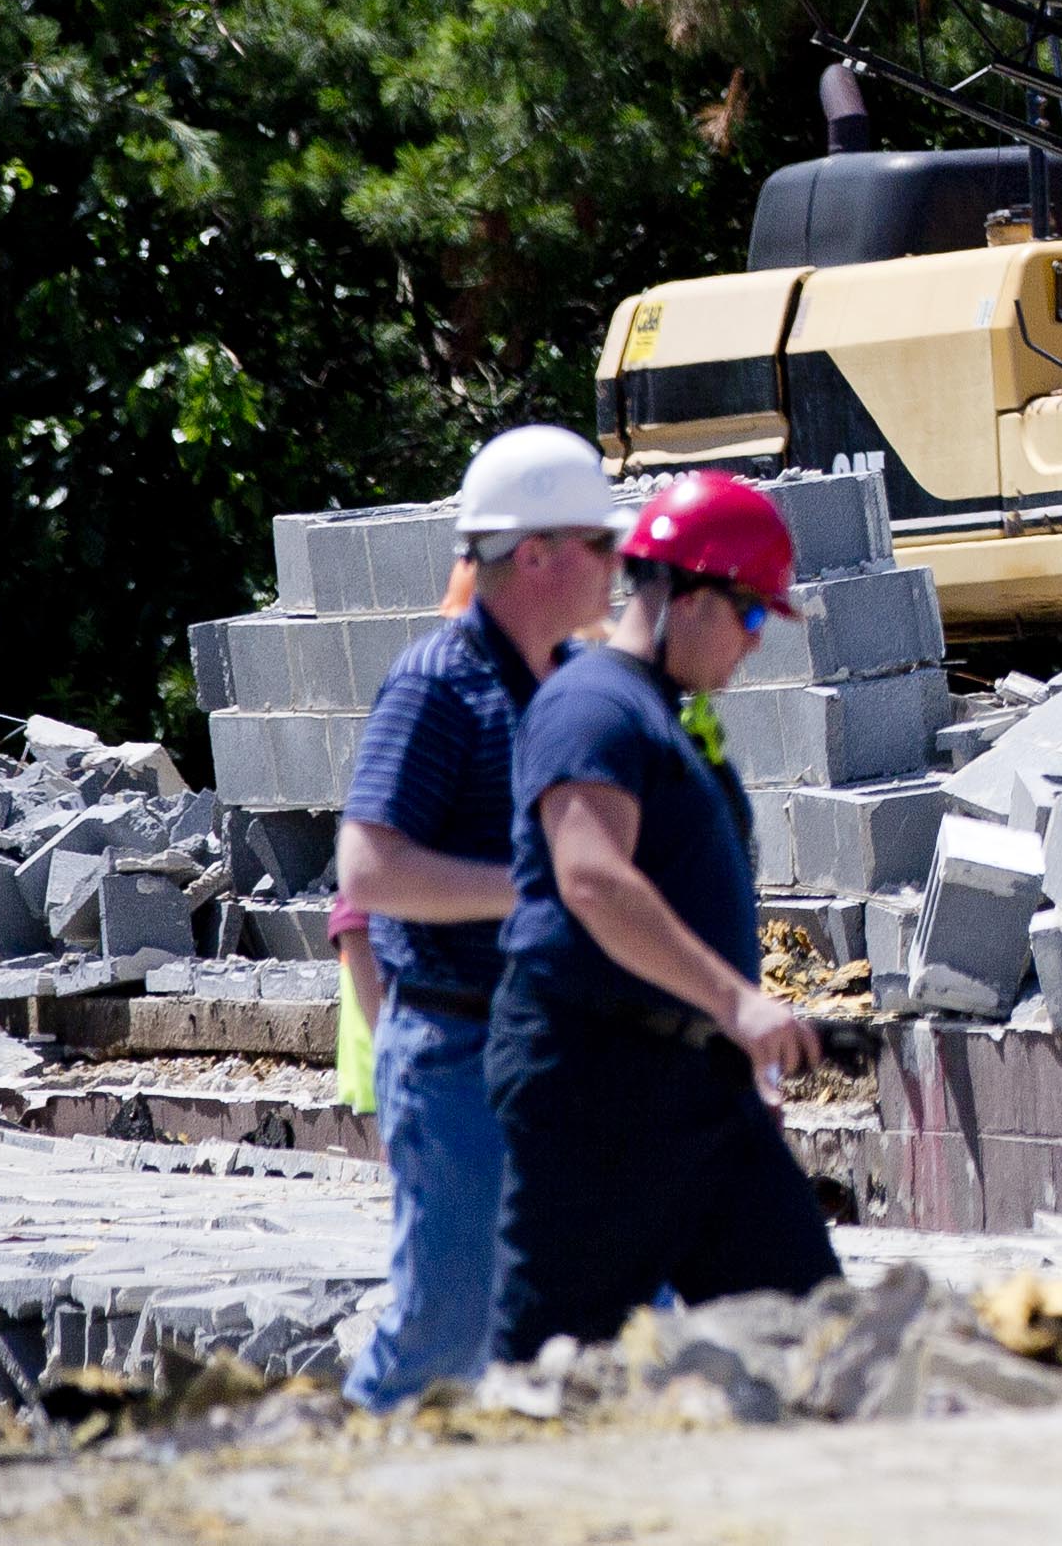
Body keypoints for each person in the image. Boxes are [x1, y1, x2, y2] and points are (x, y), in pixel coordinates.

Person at [486, 470, 838, 1360]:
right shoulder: (591, 705)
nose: (757, 641)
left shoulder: (662, 714)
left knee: (815, 1342)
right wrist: (738, 1005)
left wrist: (734, 1048)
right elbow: (593, 879)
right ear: (688, 594)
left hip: (698, 1093)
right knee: (554, 1367)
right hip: (598, 1089)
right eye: (752, 613)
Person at [332, 423, 623, 1410]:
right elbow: (368, 868)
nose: (619, 566)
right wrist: (535, 883)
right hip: (459, 1058)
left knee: (628, 1308)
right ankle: (340, 1489)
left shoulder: (579, 682)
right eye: (602, 544)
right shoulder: (437, 682)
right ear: (535, 552)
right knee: (444, 1325)